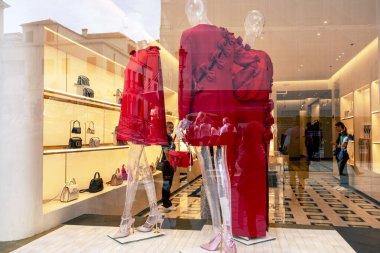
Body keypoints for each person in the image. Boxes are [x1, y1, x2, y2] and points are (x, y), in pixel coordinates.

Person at [159, 121, 177, 212]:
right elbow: (166, 152)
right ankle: (166, 204)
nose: (171, 128)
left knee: (168, 184)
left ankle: (166, 202)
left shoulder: (169, 137)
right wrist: (171, 163)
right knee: (166, 184)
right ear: (165, 128)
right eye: (169, 127)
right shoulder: (165, 138)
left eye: (172, 127)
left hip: (169, 163)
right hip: (167, 164)